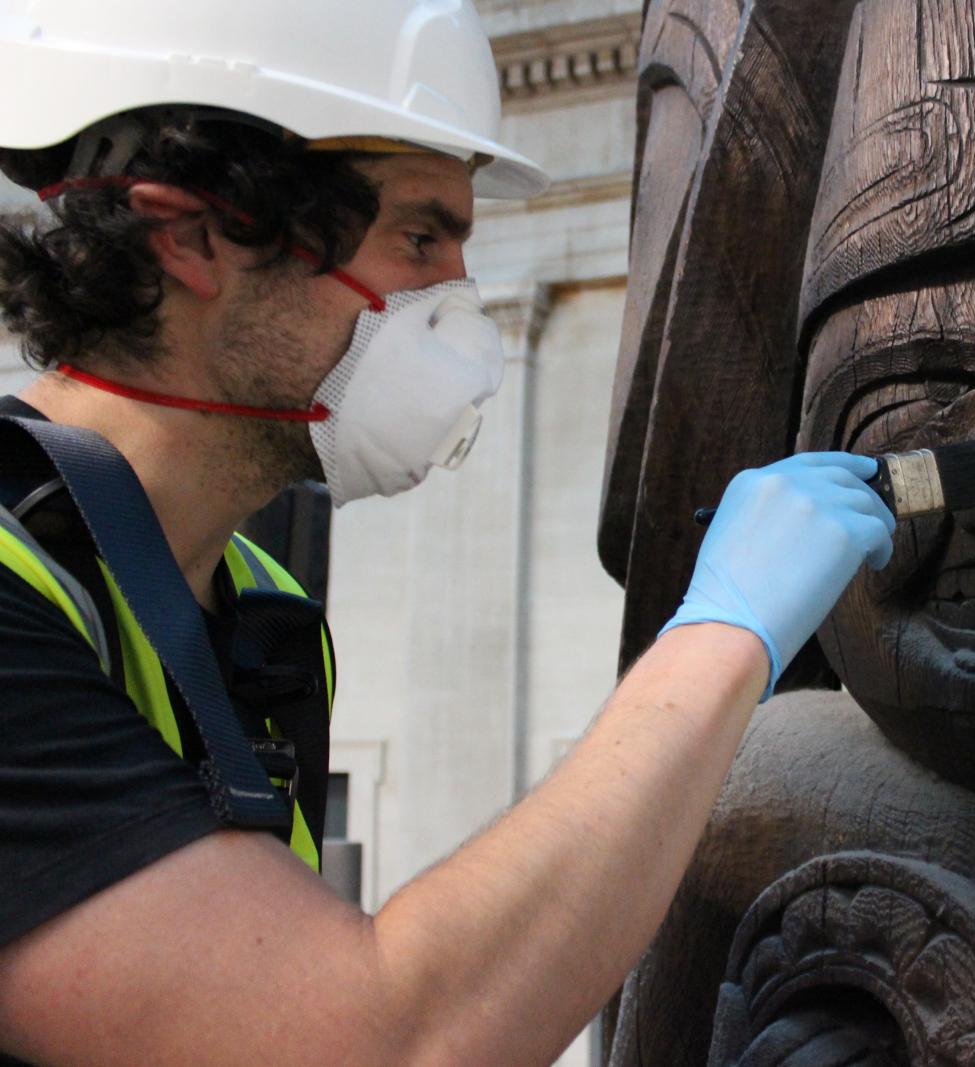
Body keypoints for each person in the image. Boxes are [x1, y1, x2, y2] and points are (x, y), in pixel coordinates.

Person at [0, 2, 895, 1064]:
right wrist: (722, 634)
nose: (458, 305)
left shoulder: (253, 608)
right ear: (193, 232)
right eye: (420, 239)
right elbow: (374, 1038)